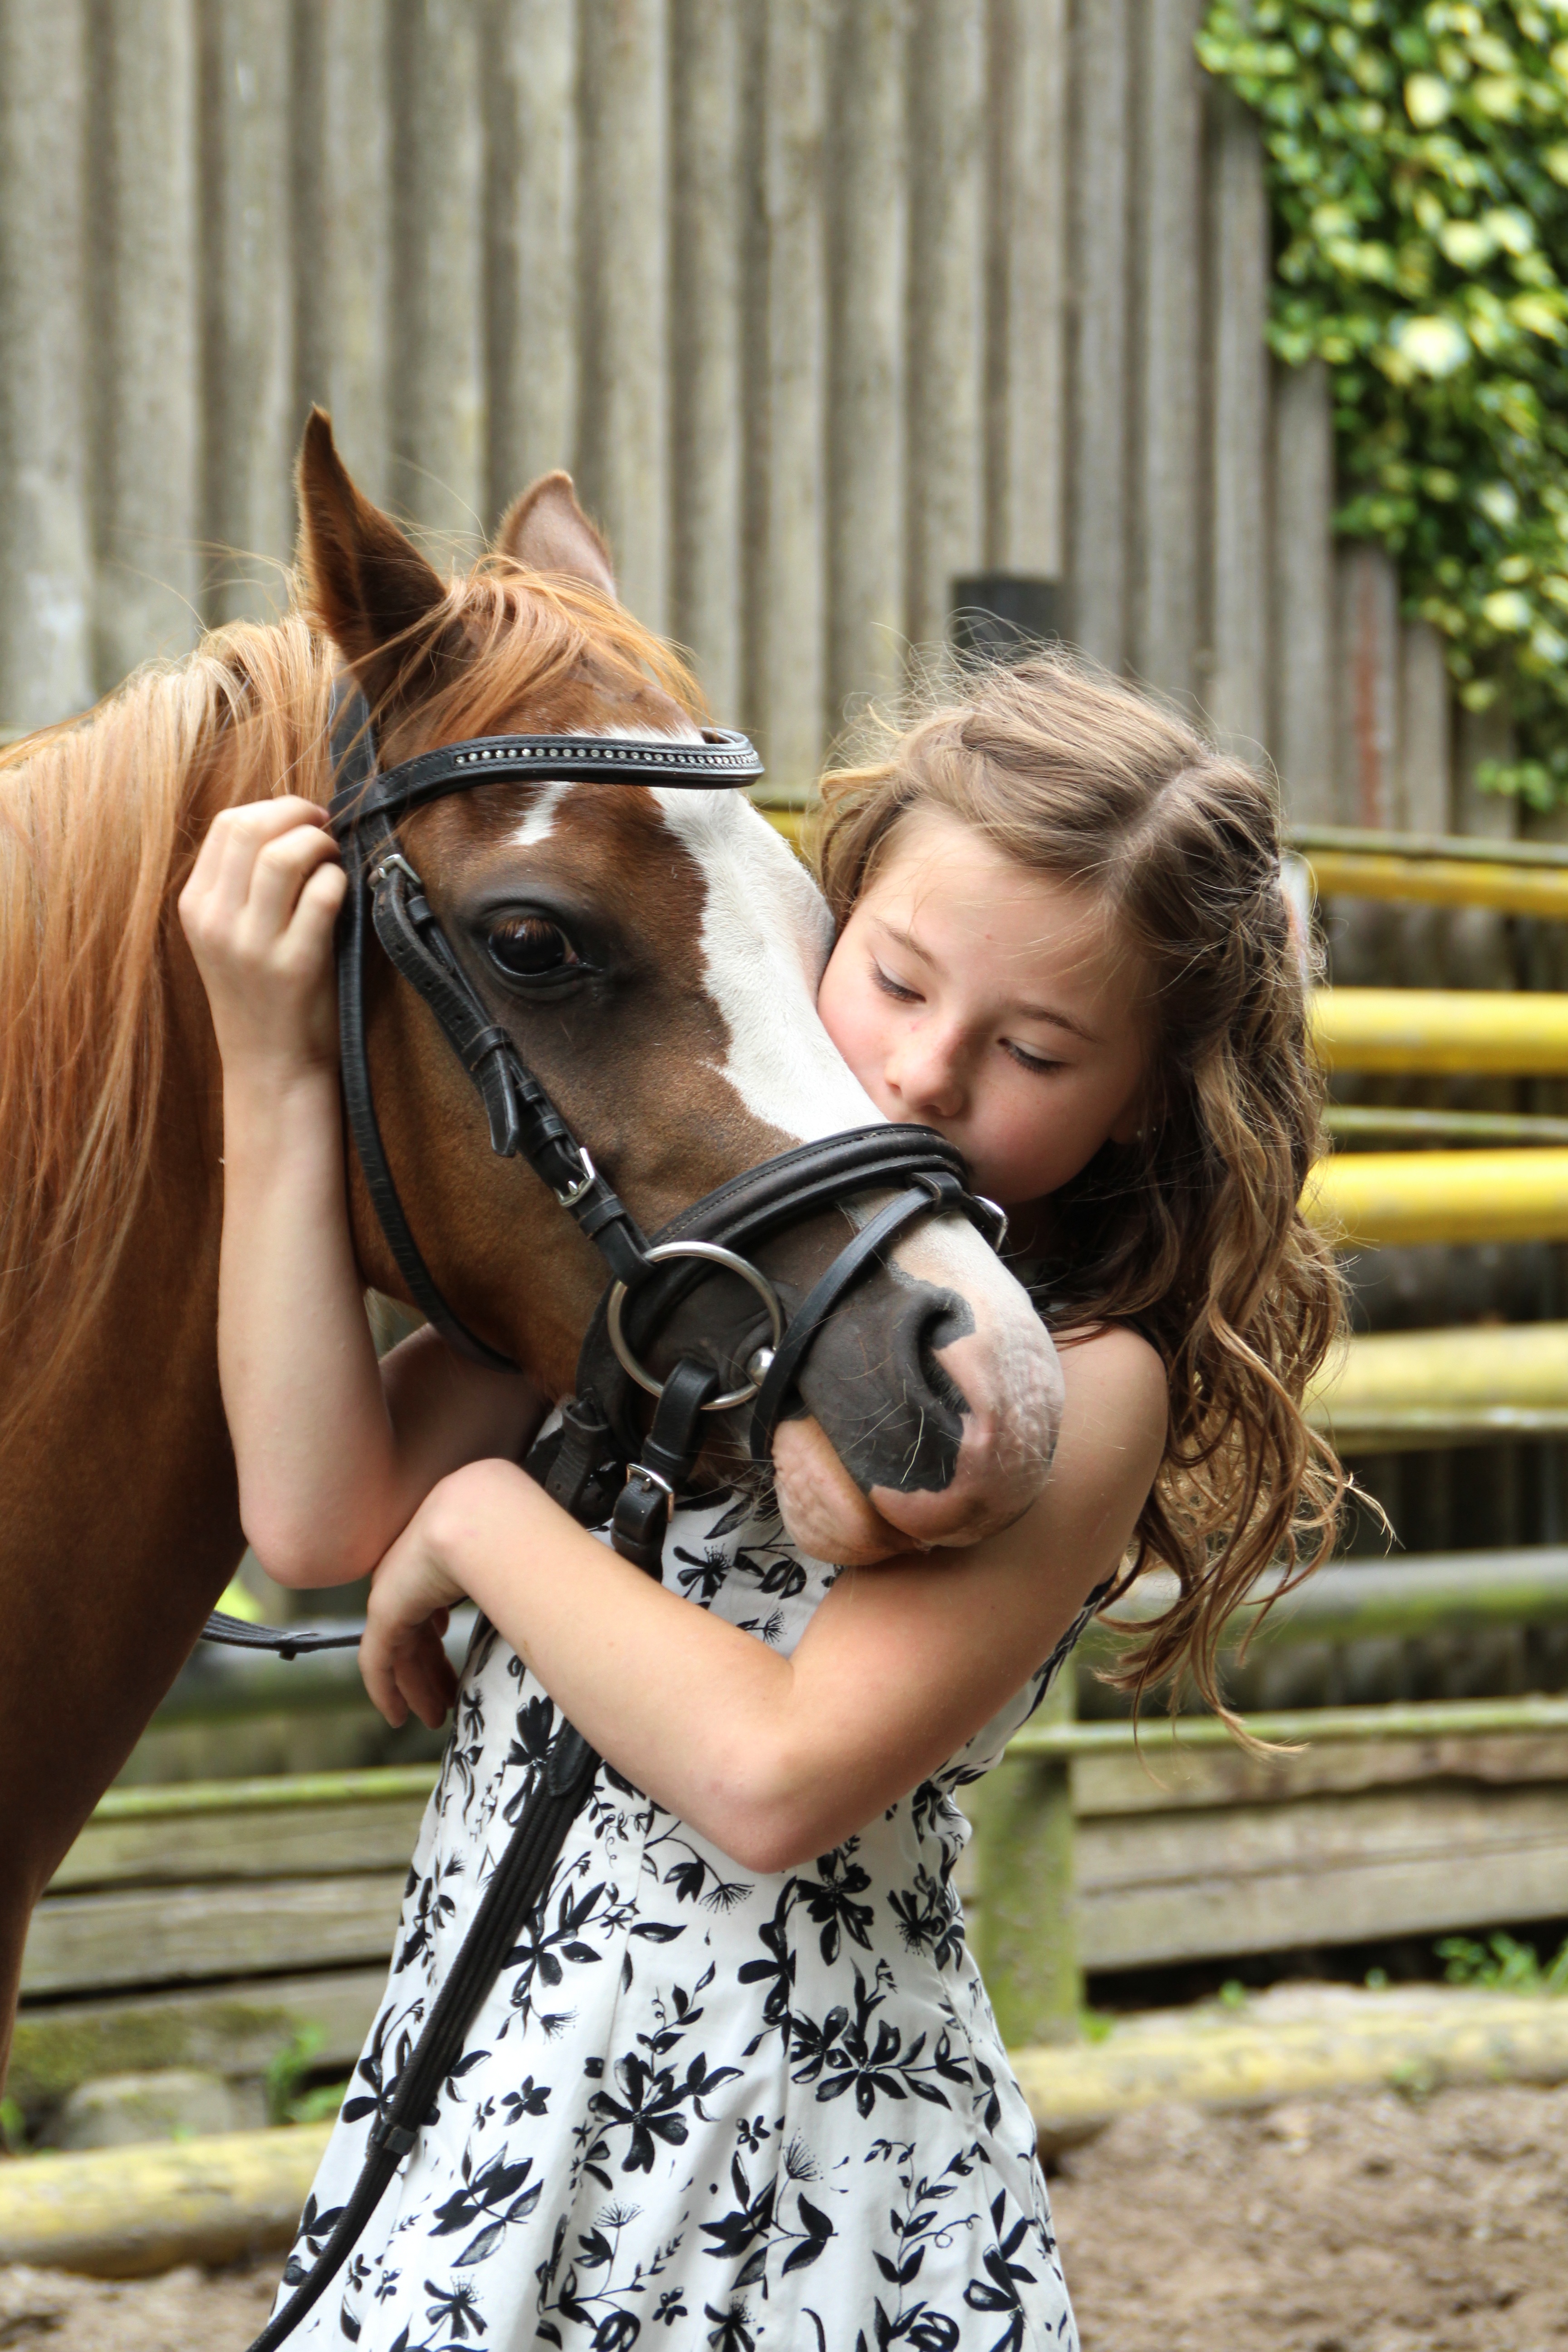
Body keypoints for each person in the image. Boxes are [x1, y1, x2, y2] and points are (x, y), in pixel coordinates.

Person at [179, 650, 1344, 2351]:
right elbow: (314, 1517)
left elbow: (777, 1776)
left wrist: (484, 1526)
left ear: (1148, 1097)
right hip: (498, 2097)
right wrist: (271, 1071)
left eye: (1031, 1049)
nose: (928, 1072)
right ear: (820, 914)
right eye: (894, 979)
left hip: (797, 2165)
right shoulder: (672, 1264)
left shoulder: (1084, 1375)